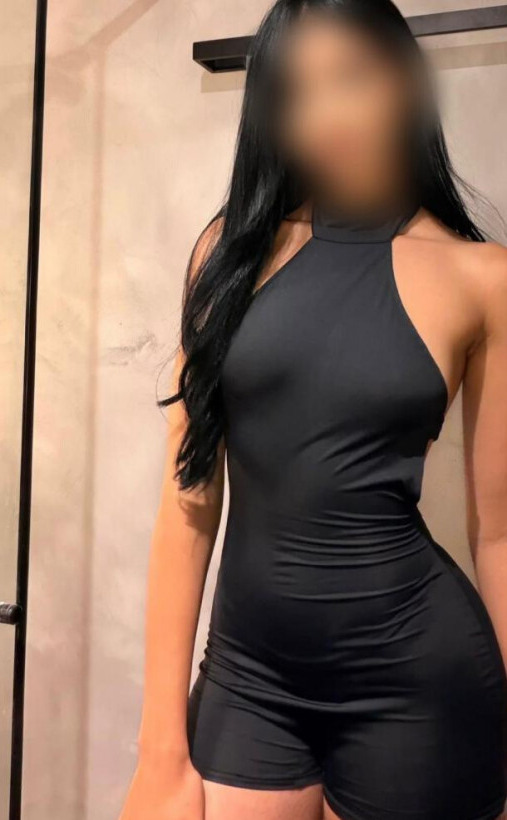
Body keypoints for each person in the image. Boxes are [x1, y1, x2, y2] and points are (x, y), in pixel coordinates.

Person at [119, 1, 507, 818]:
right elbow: (188, 504)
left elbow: (501, 533)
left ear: (404, 83)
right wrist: (159, 751)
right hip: (249, 676)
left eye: (351, 78)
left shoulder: (483, 278)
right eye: (297, 92)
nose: (326, 115)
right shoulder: (228, 253)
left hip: (419, 685)